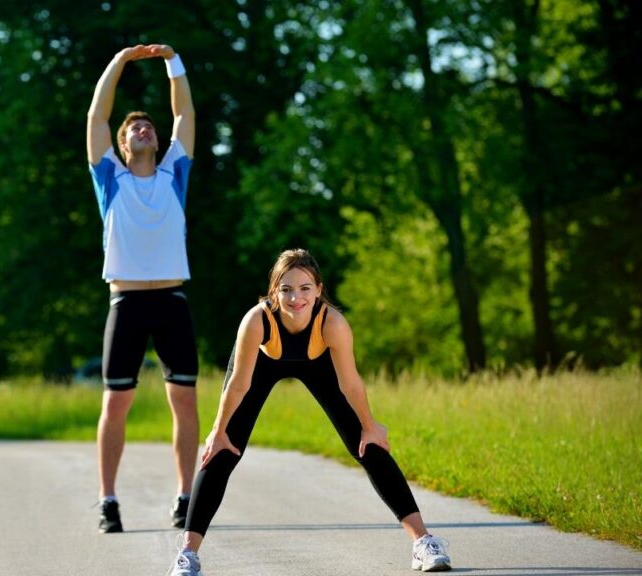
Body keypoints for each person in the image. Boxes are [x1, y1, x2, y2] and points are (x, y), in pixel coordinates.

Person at [166, 249, 453, 574]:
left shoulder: (333, 323)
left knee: (368, 443)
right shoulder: (257, 321)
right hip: (262, 364)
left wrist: (369, 424)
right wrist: (218, 430)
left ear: (318, 289)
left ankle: (423, 543)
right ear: (274, 291)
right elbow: (238, 385)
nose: (295, 297)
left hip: (318, 364)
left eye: (304, 288)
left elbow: (351, 385)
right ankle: (188, 556)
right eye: (286, 289)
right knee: (222, 450)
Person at [86, 44, 199, 534]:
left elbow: (185, 111)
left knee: (186, 401)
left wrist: (173, 61)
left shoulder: (175, 171)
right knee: (115, 403)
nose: (144, 128)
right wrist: (121, 61)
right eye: (134, 127)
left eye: (148, 125)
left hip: (172, 301)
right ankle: (108, 501)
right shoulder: (109, 177)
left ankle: (186, 497)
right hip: (126, 302)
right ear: (122, 142)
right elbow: (96, 113)